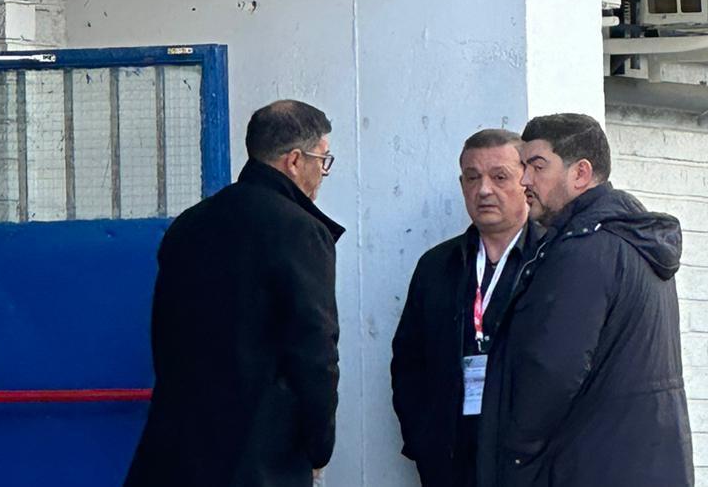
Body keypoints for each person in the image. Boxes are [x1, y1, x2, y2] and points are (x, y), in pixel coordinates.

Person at [125, 100, 344, 487]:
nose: (323, 173)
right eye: (322, 160)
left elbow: (164, 340)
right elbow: (314, 352)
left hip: (175, 451)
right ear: (294, 160)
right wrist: (318, 445)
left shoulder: (189, 225)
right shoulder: (301, 231)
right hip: (260, 456)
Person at [476, 113, 694, 487]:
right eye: (524, 166)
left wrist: (515, 454)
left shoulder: (583, 252)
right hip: (640, 462)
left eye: (537, 166)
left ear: (580, 173)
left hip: (590, 465)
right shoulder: (633, 241)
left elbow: (553, 369)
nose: (525, 180)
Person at [391, 129, 545, 487]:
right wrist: (422, 440)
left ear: (526, 180)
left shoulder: (551, 260)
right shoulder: (436, 266)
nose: (484, 190)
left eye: (499, 176)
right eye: (473, 178)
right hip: (450, 460)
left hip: (526, 465)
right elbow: (408, 361)